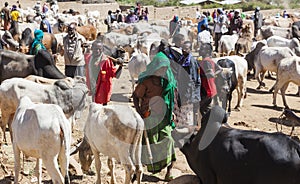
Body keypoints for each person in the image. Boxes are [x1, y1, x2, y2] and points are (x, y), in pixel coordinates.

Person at [132, 45, 177, 181]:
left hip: (163, 117)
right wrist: (139, 112)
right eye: (161, 68)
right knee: (144, 145)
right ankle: (137, 170)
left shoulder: (167, 81)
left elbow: (171, 99)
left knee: (168, 140)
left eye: (165, 68)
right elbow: (135, 96)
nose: (163, 70)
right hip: (148, 116)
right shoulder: (146, 82)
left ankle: (169, 171)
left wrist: (172, 112)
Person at [177, 41, 201, 126]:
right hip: (183, 90)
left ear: (190, 49)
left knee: (188, 114)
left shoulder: (191, 61)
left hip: (189, 93)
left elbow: (192, 80)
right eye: (183, 49)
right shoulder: (182, 59)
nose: (184, 50)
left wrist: (188, 95)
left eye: (186, 49)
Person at [92, 40, 123, 105]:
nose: (97, 51)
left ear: (102, 50)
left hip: (103, 92)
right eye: (95, 49)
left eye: (99, 49)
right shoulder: (89, 59)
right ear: (92, 49)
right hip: (91, 89)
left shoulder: (106, 61)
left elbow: (115, 74)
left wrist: (120, 67)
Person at [198, 43, 221, 115]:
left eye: (202, 50)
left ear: (207, 51)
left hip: (206, 89)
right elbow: (220, 69)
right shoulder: (209, 60)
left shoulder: (206, 62)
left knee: (203, 108)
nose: (200, 51)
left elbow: (210, 73)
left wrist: (202, 75)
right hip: (211, 88)